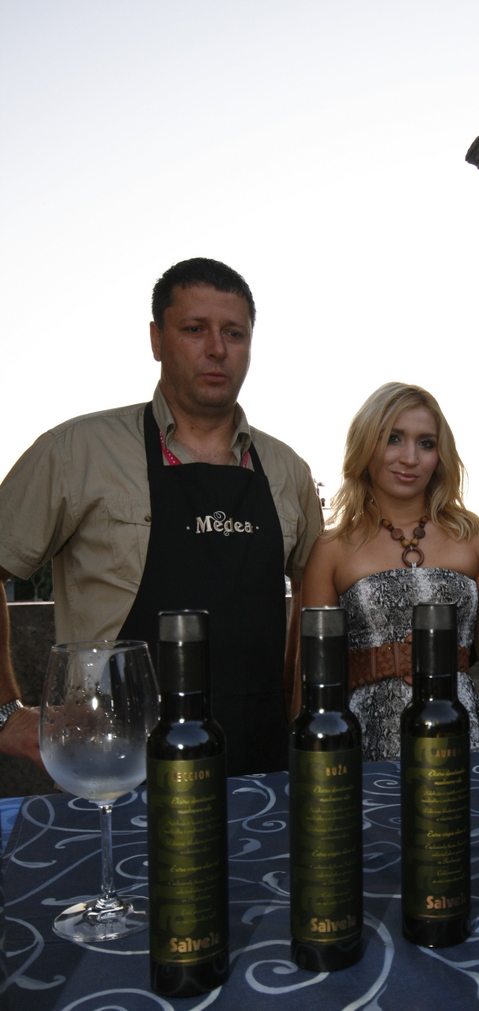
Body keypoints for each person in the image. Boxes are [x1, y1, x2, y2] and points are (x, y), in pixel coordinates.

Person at [0, 257, 321, 775]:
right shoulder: (76, 452)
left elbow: (314, 597)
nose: (217, 349)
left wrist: (295, 704)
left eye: (234, 333)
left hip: (261, 767)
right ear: (156, 339)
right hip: (116, 769)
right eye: (195, 329)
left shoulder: (288, 470)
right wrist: (5, 712)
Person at [299, 382, 479, 760]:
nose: (410, 458)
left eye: (426, 443)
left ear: (440, 455)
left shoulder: (474, 536)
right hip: (365, 749)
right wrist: (309, 763)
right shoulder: (331, 548)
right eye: (394, 438)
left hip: (462, 741)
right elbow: (314, 672)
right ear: (366, 445)